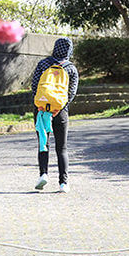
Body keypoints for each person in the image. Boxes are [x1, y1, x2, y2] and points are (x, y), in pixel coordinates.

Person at [31, 37, 78, 193]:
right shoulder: (71, 69)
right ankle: (63, 183)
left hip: (41, 110)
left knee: (44, 144)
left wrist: (41, 107)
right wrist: (58, 109)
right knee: (62, 148)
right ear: (69, 51)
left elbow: (35, 86)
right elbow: (71, 93)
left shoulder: (43, 64)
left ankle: (43, 174)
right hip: (60, 111)